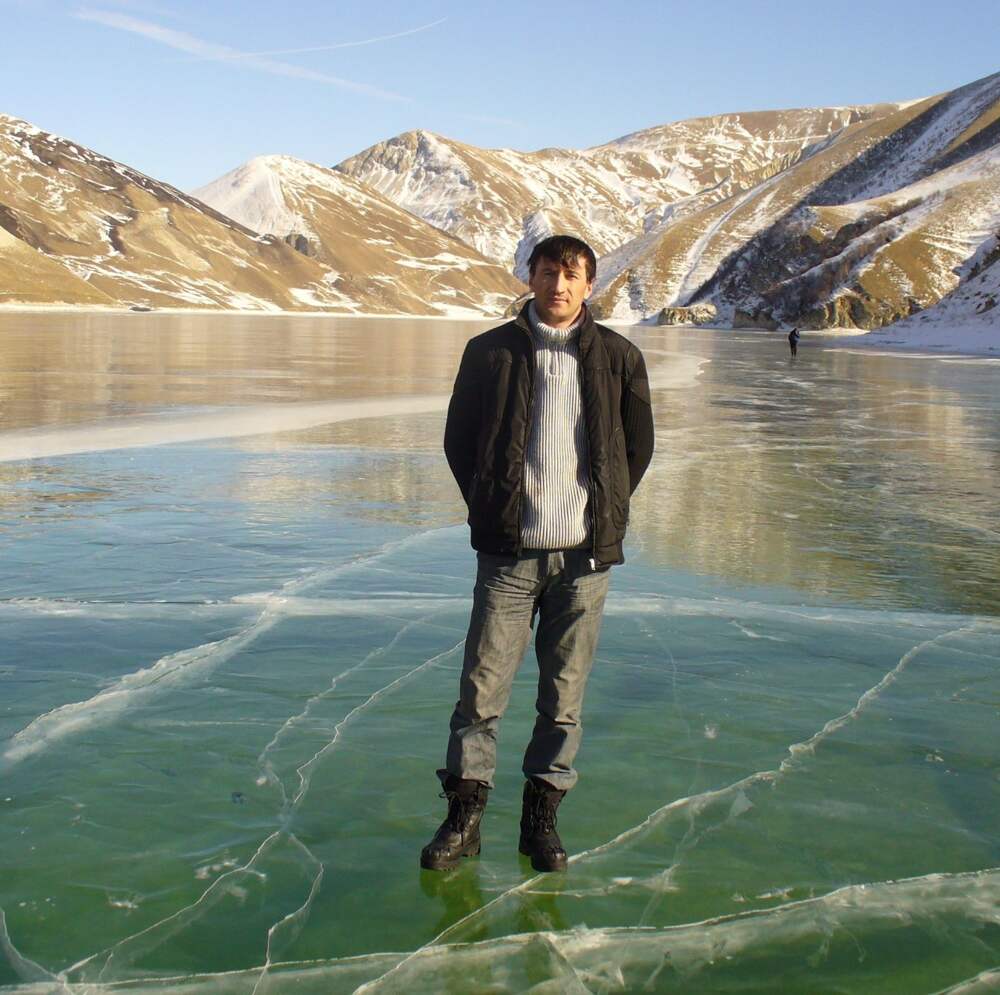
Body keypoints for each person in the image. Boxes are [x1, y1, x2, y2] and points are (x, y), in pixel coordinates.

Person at [421, 234, 654, 873]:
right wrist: (493, 505)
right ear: (530, 277)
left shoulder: (619, 357)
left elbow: (637, 449)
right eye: (549, 272)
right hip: (509, 556)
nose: (559, 285)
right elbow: (459, 441)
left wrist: (600, 512)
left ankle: (540, 822)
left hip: (583, 561)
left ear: (590, 285)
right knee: (481, 691)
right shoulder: (489, 352)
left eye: (572, 275)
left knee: (563, 698)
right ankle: (464, 820)